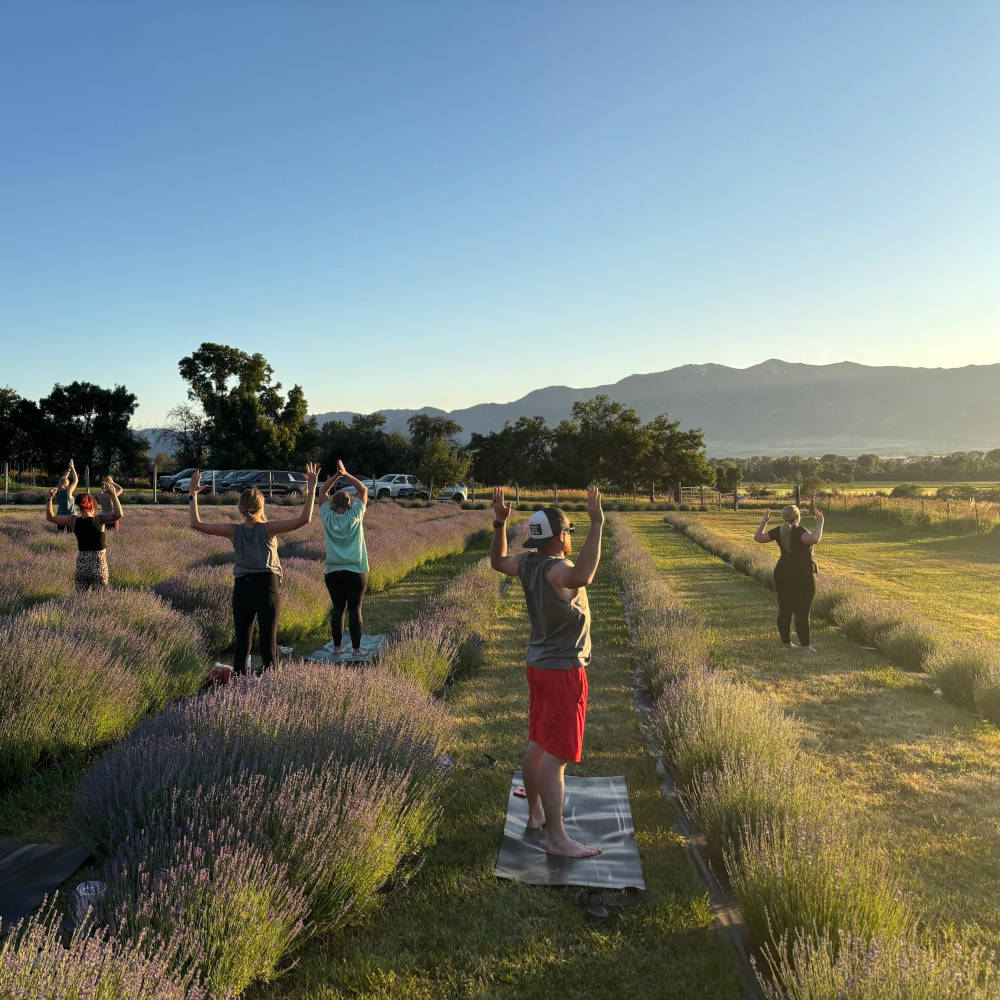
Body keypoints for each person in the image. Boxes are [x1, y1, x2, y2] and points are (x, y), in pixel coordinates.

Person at [489, 484, 604, 859]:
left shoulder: (527, 563)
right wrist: (598, 523)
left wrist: (499, 524)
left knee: (538, 742)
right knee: (557, 755)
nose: (572, 537)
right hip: (562, 670)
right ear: (560, 536)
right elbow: (583, 575)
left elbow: (496, 562)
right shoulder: (558, 568)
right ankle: (557, 838)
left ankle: (536, 813)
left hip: (537, 665)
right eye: (571, 532)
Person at [188, 463, 320, 675]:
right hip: (267, 587)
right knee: (268, 646)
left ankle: (240, 687)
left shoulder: (234, 530)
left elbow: (196, 524)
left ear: (240, 508)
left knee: (242, 646)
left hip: (242, 589)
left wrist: (192, 495)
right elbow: (304, 519)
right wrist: (311, 488)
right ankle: (268, 689)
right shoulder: (269, 529)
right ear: (261, 506)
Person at [754, 504, 825, 651]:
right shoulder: (799, 531)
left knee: (785, 609)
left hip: (782, 572)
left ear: (784, 517)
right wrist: (820, 522)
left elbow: (758, 537)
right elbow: (814, 539)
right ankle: (805, 646)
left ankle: (786, 643)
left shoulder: (779, 530)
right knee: (802, 611)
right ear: (797, 517)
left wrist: (764, 521)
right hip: (802, 573)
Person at [318, 460, 369, 659]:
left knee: (338, 609)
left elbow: (322, 491)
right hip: (356, 570)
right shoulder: (355, 514)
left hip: (333, 571)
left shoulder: (327, 516)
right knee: (355, 609)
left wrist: (335, 476)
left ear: (332, 504)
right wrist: (346, 474)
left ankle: (337, 648)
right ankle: (356, 649)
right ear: (349, 504)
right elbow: (363, 489)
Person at [46, 480, 124, 591]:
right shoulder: (98, 520)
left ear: (79, 507)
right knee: (99, 600)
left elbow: (50, 517)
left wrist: (49, 498)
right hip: (98, 565)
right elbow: (118, 514)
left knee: (79, 599)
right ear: (92, 507)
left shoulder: (73, 520)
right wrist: (113, 495)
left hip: (81, 566)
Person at [52, 459, 78, 533]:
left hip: (60, 515)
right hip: (70, 516)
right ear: (67, 484)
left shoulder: (57, 489)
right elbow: (76, 480)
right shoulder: (68, 491)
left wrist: (68, 470)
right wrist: (72, 468)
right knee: (70, 534)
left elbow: (62, 480)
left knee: (60, 534)